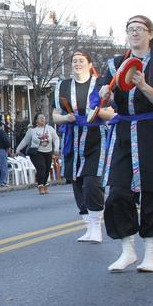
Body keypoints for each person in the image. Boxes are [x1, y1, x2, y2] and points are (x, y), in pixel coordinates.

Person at [101, 15, 153, 273]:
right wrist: (105, 94)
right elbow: (105, 100)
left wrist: (144, 86)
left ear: (150, 33)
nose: (134, 33)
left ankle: (151, 254)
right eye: (130, 29)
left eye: (139, 29)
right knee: (117, 192)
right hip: (124, 131)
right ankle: (127, 250)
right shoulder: (116, 64)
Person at [53, 51, 109, 243]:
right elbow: (55, 115)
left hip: (95, 138)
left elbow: (111, 112)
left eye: (81, 61)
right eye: (74, 61)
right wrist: (66, 118)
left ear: (89, 63)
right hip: (72, 138)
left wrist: (99, 112)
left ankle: (97, 226)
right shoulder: (64, 85)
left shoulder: (100, 85)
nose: (77, 64)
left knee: (92, 182)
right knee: (77, 182)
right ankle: (88, 227)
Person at [17, 114, 60, 194]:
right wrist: (18, 149)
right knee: (41, 168)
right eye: (40, 118)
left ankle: (45, 185)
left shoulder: (50, 129)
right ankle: (40, 186)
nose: (42, 119)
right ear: (36, 120)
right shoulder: (32, 130)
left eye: (43, 117)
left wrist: (56, 148)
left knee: (47, 169)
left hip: (48, 152)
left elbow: (56, 138)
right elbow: (25, 141)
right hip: (37, 152)